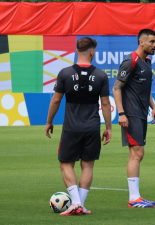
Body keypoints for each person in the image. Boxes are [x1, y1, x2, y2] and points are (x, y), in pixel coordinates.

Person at [45, 37, 112, 216]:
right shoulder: (101, 75)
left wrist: (49, 121)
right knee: (87, 167)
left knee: (66, 164)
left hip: (71, 128)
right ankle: (80, 204)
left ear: (76, 51)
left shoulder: (64, 73)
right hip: (92, 128)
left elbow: (56, 100)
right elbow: (105, 104)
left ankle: (75, 203)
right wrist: (108, 127)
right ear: (92, 52)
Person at [113, 29, 155, 208]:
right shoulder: (130, 61)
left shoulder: (147, 61)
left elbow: (145, 89)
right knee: (136, 153)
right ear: (142, 42)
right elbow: (117, 88)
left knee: (138, 153)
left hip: (141, 113)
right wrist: (122, 113)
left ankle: (136, 197)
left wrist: (153, 107)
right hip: (131, 114)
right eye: (152, 42)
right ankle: (134, 198)